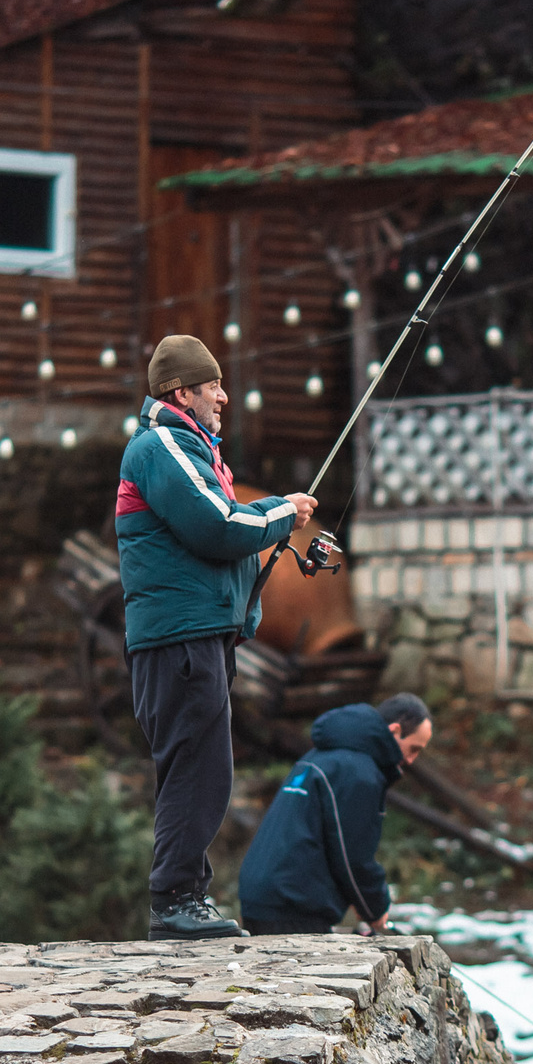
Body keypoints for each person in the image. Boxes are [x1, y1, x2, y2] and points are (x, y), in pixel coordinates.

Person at [116, 334, 318, 940]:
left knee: (201, 769)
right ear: (183, 393)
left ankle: (185, 898)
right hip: (178, 642)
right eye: (213, 387)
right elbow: (218, 527)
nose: (224, 397)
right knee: (199, 770)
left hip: (194, 641)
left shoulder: (191, 452)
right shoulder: (161, 448)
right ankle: (174, 902)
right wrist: (283, 511)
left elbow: (220, 538)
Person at [238, 694, 433, 936]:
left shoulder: (320, 758)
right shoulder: (358, 772)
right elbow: (353, 854)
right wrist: (375, 908)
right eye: (413, 748)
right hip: (293, 905)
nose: (412, 760)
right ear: (395, 731)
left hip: (262, 897)